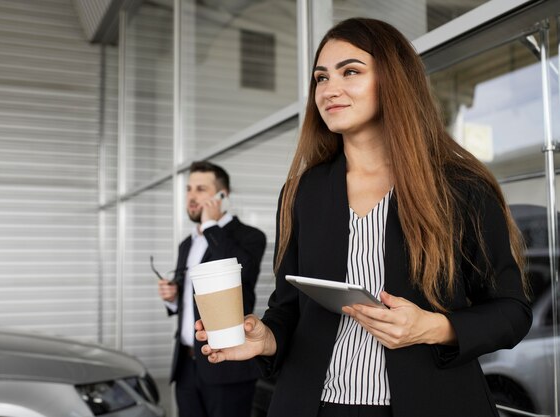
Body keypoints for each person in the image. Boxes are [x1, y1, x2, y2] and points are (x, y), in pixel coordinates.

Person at [195, 17, 532, 417]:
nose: (329, 90)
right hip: (316, 405)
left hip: (429, 403)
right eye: (321, 78)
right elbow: (287, 309)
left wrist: (434, 328)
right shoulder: (303, 192)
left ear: (393, 80)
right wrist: (266, 338)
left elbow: (511, 311)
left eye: (350, 71)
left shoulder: (460, 187)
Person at [157, 161, 266, 417]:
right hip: (186, 365)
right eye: (189, 189)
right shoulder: (187, 244)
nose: (191, 197)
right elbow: (193, 297)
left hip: (227, 367)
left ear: (221, 196)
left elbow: (242, 271)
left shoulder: (250, 236)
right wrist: (173, 298)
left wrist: (210, 226)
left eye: (201, 189)